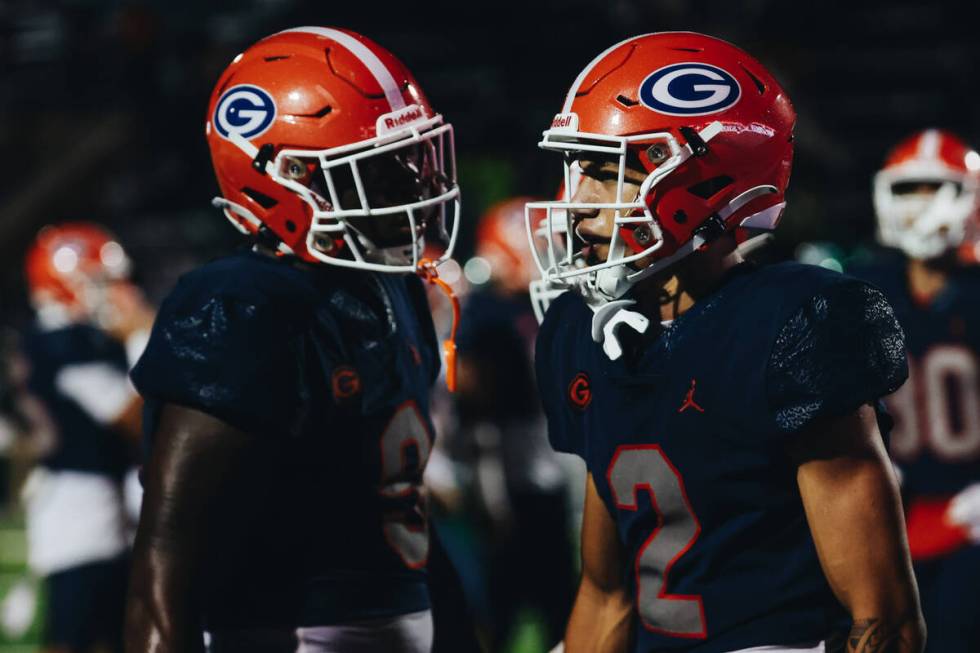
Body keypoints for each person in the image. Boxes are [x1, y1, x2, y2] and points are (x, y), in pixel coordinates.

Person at [528, 32, 925, 652]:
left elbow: (884, 622)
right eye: (579, 169)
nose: (576, 203)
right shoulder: (581, 333)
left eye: (608, 172)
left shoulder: (794, 324)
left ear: (708, 181)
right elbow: (607, 591)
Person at [124, 27, 461, 653]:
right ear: (291, 178)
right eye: (382, 170)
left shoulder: (392, 286)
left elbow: (389, 501)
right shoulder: (244, 305)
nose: (415, 186)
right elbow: (163, 562)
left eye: (411, 159)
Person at [850, 129, 980, 653]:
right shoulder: (861, 292)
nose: (920, 205)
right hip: (885, 514)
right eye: (908, 190)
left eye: (934, 188)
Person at [436, 198, 576, 650]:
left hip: (537, 473)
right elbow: (481, 419)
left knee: (555, 607)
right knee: (504, 611)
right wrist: (492, 495)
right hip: (509, 481)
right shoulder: (487, 319)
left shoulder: (520, 312)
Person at [19, 222, 152, 653]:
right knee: (75, 636)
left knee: (111, 636)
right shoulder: (65, 344)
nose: (116, 291)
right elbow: (136, 420)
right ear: (65, 285)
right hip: (79, 507)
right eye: (100, 282)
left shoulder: (68, 340)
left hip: (100, 500)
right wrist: (140, 336)